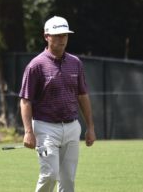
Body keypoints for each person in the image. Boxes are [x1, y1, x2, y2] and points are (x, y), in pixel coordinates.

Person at [19, 16, 96, 192]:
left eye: (65, 35)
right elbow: (25, 100)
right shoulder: (36, 65)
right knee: (50, 174)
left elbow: (82, 95)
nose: (62, 39)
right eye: (57, 35)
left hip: (71, 127)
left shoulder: (75, 63)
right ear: (46, 36)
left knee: (68, 179)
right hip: (45, 129)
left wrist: (90, 127)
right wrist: (28, 132)